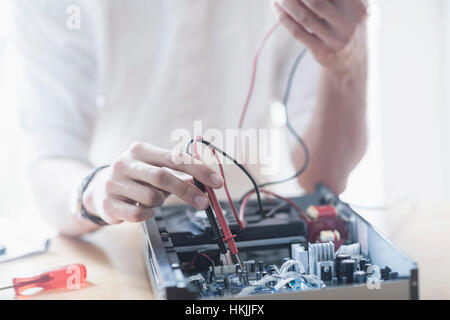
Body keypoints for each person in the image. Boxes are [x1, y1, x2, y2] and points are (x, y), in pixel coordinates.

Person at [14, 0, 368, 236]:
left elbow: (323, 180)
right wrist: (95, 192)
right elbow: (50, 157)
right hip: (118, 235)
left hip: (254, 218)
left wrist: (344, 67)